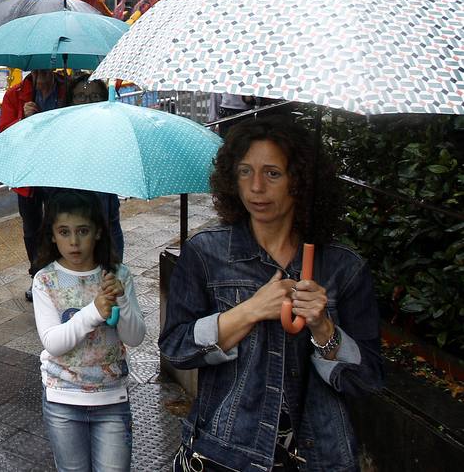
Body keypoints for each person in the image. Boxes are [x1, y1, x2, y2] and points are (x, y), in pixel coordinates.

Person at [160, 117, 383, 471]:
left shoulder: (343, 268)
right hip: (226, 452)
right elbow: (176, 348)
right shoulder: (206, 253)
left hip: (318, 457)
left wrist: (324, 330)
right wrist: (248, 311)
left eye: (273, 174)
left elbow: (367, 380)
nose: (256, 188)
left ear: (300, 181)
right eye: (245, 172)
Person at [32, 190, 145, 472]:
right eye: (64, 232)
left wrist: (121, 300)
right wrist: (94, 312)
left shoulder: (117, 274)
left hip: (112, 397)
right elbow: (53, 343)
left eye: (82, 231)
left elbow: (134, 337)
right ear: (53, 236)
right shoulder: (45, 280)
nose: (73, 241)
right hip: (63, 399)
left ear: (97, 232)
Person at [0, 68, 68, 300]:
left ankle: (61, 276)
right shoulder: (15, 95)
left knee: (60, 227)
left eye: (46, 69)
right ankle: (38, 276)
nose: (42, 74)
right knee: (32, 228)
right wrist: (22, 119)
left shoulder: (66, 90)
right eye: (38, 70)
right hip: (28, 172)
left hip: (59, 170)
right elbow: (4, 134)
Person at [67, 74, 125, 259]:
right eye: (81, 96)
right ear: (71, 100)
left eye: (94, 97)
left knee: (109, 227)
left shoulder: (111, 122)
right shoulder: (64, 127)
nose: (87, 101)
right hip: (73, 193)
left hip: (104, 192)